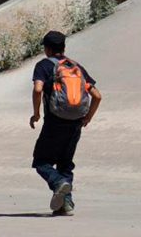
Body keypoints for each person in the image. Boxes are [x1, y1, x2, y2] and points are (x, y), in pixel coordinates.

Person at [29, 30, 102, 216]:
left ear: (47, 48)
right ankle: (66, 205)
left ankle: (58, 183)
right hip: (76, 122)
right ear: (63, 47)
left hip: (54, 121)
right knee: (65, 163)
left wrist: (36, 114)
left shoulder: (44, 65)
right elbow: (97, 95)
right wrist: (88, 117)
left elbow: (37, 89)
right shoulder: (75, 66)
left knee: (41, 161)